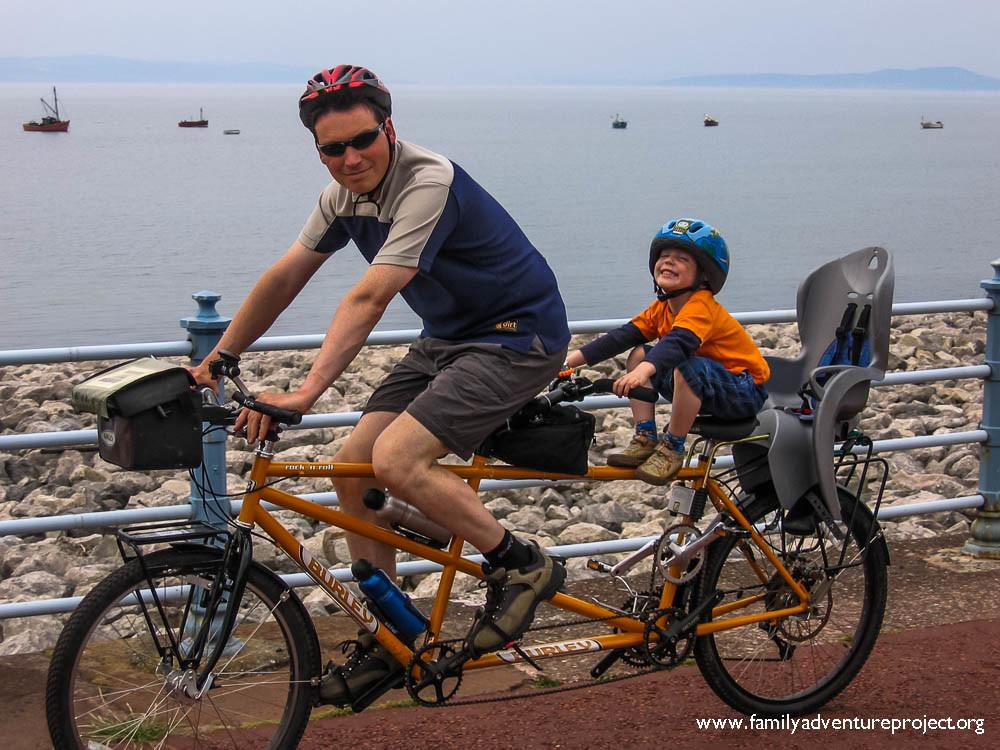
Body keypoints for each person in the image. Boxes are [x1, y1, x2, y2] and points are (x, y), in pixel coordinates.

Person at [189, 65, 570, 706]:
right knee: (351, 468)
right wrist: (217, 359)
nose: (350, 157)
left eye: (362, 139)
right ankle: (398, 635)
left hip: (516, 334)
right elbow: (286, 277)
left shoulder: (428, 181)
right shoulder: (340, 196)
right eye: (332, 148)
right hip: (446, 339)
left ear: (388, 127)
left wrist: (306, 392)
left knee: (397, 458)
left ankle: (522, 563)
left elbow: (369, 297)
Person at [563, 218, 769, 485]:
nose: (669, 262)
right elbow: (621, 337)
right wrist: (568, 363)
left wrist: (642, 374)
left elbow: (678, 343)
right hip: (705, 385)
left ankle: (673, 446)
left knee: (683, 364)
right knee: (638, 352)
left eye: (681, 258)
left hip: (744, 389)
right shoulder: (662, 307)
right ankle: (646, 436)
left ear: (705, 273)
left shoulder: (701, 306)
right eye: (664, 255)